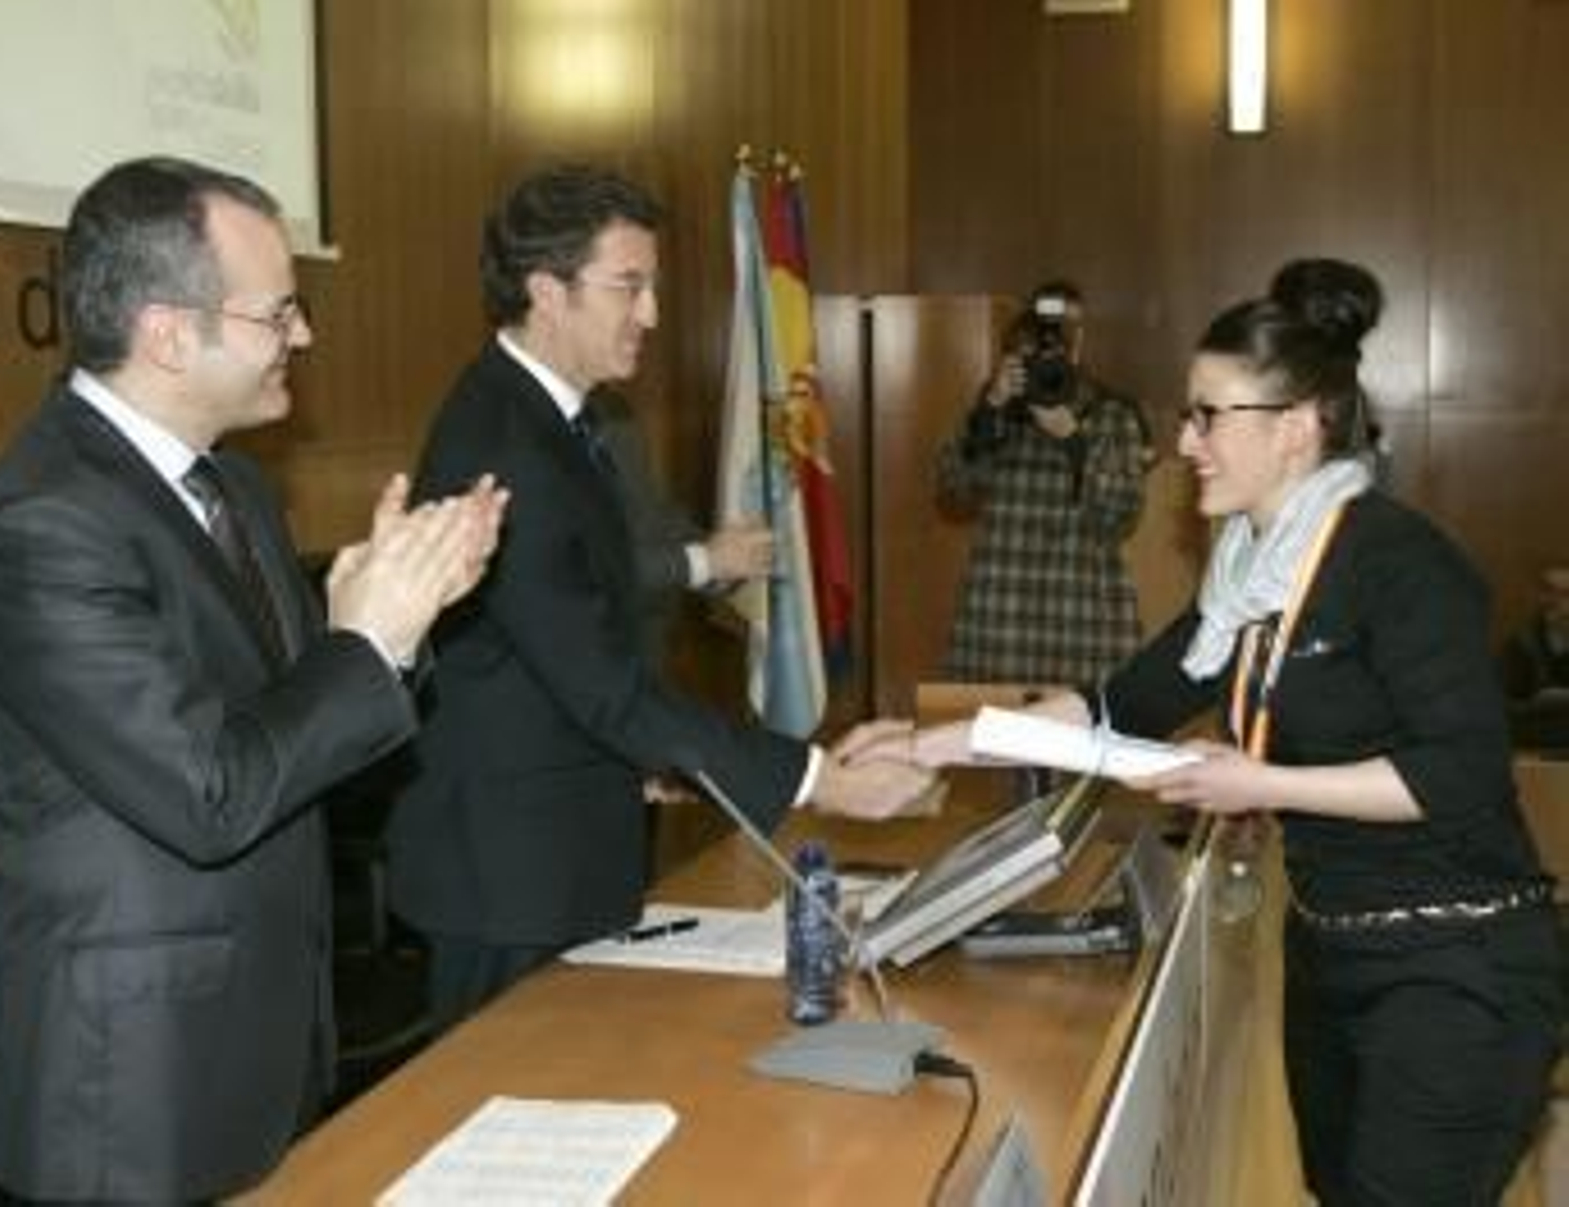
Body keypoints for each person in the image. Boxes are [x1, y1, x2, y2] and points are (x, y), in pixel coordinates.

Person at [849, 258, 1565, 1205]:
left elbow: (1457, 774)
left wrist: (1261, 784)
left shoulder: (1398, 562)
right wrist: (938, 741)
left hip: (1456, 970)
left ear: (1299, 429)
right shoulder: (1246, 577)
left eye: (1208, 416)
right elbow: (1115, 704)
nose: (1185, 442)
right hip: (1330, 953)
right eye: (1188, 414)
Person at [0, 156, 506, 1204]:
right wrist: (365, 645)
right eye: (280, 312)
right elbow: (210, 794)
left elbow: (302, 753)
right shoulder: (41, 526)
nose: (302, 337)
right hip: (128, 1089)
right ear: (170, 335)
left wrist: (397, 623)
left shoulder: (236, 489)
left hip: (263, 1043)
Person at [386, 163, 933, 1033]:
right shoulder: (509, 442)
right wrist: (819, 777)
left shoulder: (559, 420)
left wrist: (652, 756)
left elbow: (567, 655)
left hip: (556, 844)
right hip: (508, 876)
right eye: (628, 287)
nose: (651, 314)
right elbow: (599, 679)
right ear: (546, 291)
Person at [936, 279, 1151, 686]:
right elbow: (952, 493)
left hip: (1082, 624)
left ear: (1080, 343)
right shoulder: (997, 407)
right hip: (1000, 621)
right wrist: (990, 411)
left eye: (1065, 336)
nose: (1053, 348)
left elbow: (1122, 515)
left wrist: (1075, 441)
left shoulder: (1111, 413)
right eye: (1042, 337)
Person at [585, 385, 774, 665]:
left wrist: (726, 559)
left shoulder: (609, 408)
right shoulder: (515, 421)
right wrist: (706, 561)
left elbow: (652, 514)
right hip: (574, 670)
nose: (638, 338)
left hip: (643, 659)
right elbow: (579, 564)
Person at [1499, 565, 1569, 750]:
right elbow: (1502, 708)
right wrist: (1539, 703)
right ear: (1541, 598)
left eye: (1565, 594)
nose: (1558, 603)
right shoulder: (1521, 647)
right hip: (1535, 746)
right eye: (1551, 593)